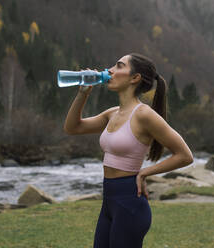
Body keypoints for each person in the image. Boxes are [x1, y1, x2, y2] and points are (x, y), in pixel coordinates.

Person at [63, 53, 194, 248]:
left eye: (118, 66)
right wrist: (83, 93)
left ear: (135, 78)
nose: (110, 70)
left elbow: (185, 155)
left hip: (130, 204)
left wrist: (145, 172)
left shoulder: (143, 114)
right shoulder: (112, 113)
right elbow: (72, 128)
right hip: (109, 201)